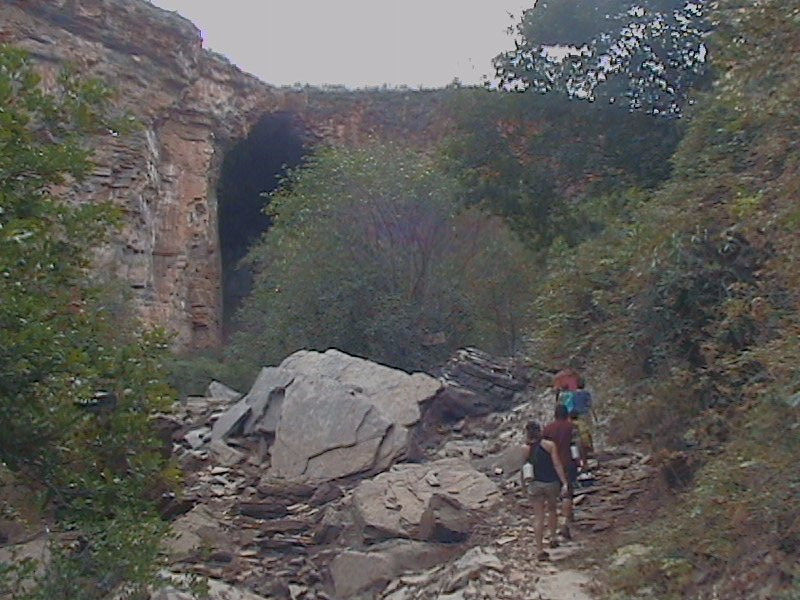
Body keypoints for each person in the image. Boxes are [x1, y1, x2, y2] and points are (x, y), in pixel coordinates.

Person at [521, 421, 569, 561]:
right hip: (551, 483)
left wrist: (523, 486)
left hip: (535, 484)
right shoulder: (549, 445)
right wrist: (564, 482)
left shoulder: (525, 448)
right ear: (540, 431)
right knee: (552, 510)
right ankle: (553, 537)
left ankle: (539, 549)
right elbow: (556, 464)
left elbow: (523, 467)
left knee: (538, 516)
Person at [543, 404, 579, 540]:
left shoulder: (547, 429)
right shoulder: (571, 427)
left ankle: (553, 528)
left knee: (554, 493)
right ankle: (565, 523)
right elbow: (575, 445)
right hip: (568, 462)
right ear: (566, 414)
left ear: (555, 414)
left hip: (551, 465)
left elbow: (543, 447)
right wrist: (581, 461)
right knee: (568, 493)